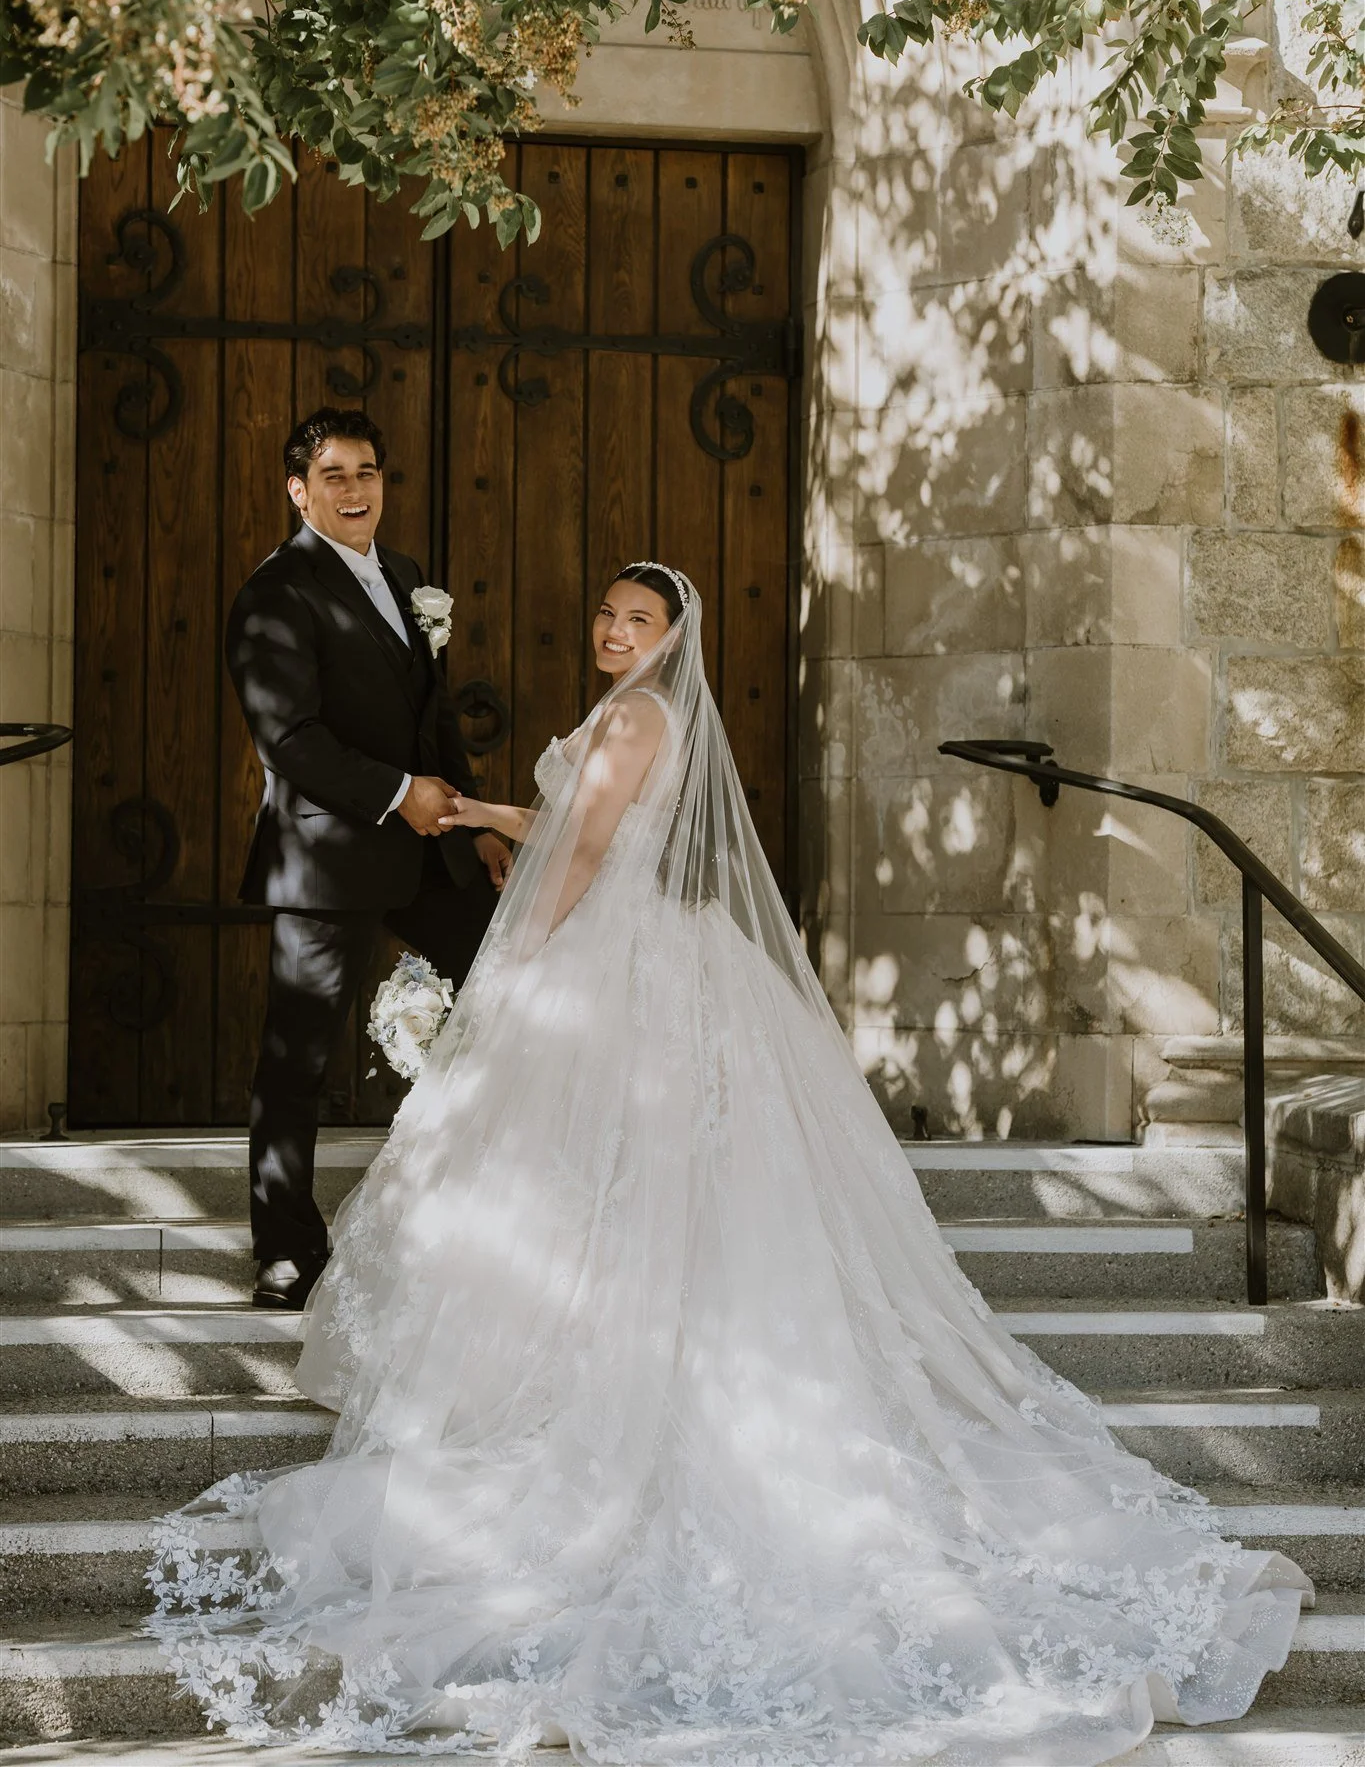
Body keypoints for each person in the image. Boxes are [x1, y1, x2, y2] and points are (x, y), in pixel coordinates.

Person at [151, 562, 1310, 1765]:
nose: (614, 629)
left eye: (637, 619)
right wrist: (491, 818)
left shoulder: (635, 718)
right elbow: (583, 832)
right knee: (630, 1181)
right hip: (657, 950)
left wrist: (511, 958)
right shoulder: (646, 713)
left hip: (611, 959)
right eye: (607, 613)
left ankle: (593, 1382)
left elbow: (584, 852)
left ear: (671, 636)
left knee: (604, 1174)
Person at [225, 407, 510, 1308]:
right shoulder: (275, 593)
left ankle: (501, 1214)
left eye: (367, 473)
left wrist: (474, 819)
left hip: (431, 851)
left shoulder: (406, 575)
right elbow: (289, 739)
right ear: (298, 490)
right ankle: (283, 1251)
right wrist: (397, 792)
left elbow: (434, 714)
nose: (355, 491)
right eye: (334, 475)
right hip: (328, 858)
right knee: (297, 1057)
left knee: (513, 992)